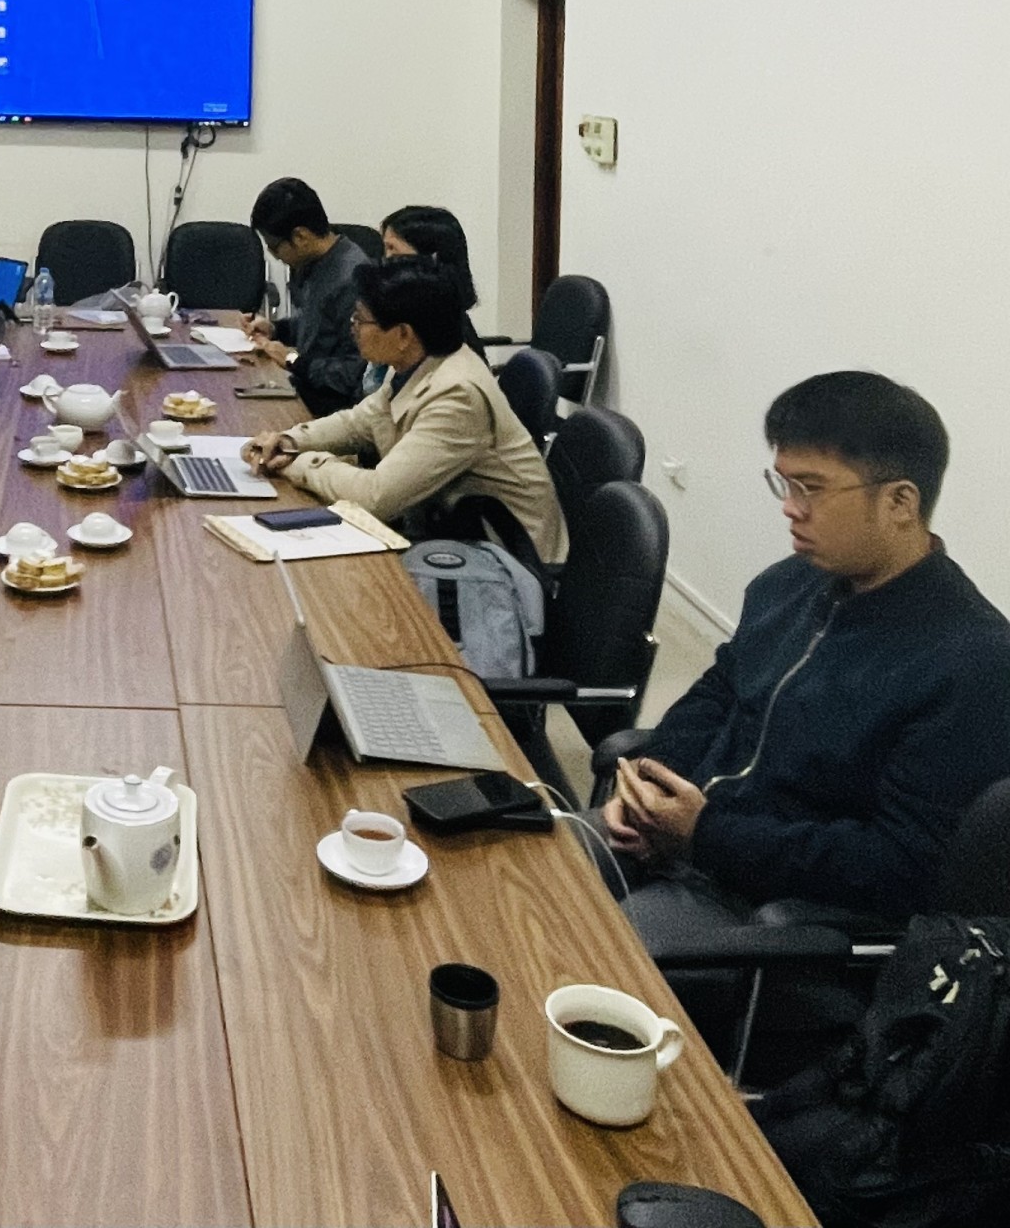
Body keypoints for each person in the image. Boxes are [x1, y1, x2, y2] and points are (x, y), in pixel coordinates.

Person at [597, 372, 1010, 950]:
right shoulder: (791, 583)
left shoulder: (972, 662)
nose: (790, 509)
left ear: (899, 502)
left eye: (810, 489)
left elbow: (900, 868)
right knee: (519, 864)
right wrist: (650, 780)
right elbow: (721, 691)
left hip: (762, 902)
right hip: (680, 837)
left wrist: (706, 835)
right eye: (783, 484)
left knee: (571, 949)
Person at [242, 257, 566, 564]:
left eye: (360, 319)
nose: (352, 327)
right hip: (449, 532)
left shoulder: (458, 395)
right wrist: (287, 441)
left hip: (504, 560)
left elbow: (377, 497)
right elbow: (359, 422)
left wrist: (297, 465)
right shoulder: (415, 360)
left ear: (403, 334)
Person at [241, 177, 372, 417]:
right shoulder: (320, 262)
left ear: (300, 237)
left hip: (330, 410)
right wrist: (276, 329)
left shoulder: (350, 279)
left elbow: (354, 374)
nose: (274, 256)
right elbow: (319, 325)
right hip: (307, 390)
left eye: (274, 246)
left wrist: (292, 359)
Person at [381, 204, 488, 362]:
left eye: (393, 250)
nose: (384, 262)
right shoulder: (410, 315)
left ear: (431, 260)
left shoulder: (437, 334)